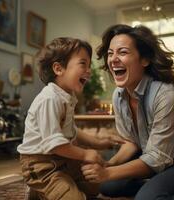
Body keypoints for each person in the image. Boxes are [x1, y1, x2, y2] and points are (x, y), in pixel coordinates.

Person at [81, 24, 174, 200]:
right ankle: (161, 187)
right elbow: (131, 142)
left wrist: (107, 173)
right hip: (160, 160)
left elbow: (157, 158)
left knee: (146, 197)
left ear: (144, 60)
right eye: (110, 53)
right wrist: (108, 165)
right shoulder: (119, 95)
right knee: (109, 187)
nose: (113, 59)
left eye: (122, 52)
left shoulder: (167, 95)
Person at [17, 37, 124, 200]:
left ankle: (57, 187)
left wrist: (99, 142)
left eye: (89, 66)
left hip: (63, 160)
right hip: (41, 165)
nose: (88, 70)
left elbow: (71, 130)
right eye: (83, 64)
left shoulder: (67, 96)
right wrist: (86, 154)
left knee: (95, 186)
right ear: (59, 69)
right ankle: (38, 189)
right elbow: (54, 144)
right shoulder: (50, 99)